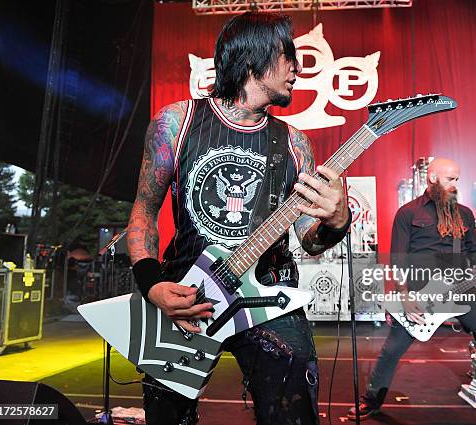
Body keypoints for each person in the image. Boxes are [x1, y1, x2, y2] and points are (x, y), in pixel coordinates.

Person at [126, 12, 351, 425]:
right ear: (254, 60)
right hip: (186, 295)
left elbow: (308, 238)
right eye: (289, 57)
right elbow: (144, 209)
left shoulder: (294, 143)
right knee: (167, 416)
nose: (297, 70)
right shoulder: (176, 123)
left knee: (293, 402)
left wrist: (336, 220)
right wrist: (151, 284)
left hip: (269, 294)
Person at [348, 158, 476, 425]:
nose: (455, 184)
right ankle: (371, 401)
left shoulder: (464, 214)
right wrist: (404, 296)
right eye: (450, 179)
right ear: (432, 178)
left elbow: (475, 250)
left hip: (462, 288)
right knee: (392, 350)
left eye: (457, 179)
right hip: (421, 292)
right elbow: (398, 259)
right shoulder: (408, 213)